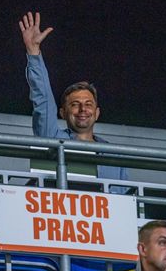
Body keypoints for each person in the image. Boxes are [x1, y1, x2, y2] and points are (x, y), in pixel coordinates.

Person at [19, 11, 128, 183]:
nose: (83, 109)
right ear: (62, 113)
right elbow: (43, 101)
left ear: (97, 113)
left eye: (88, 104)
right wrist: (33, 53)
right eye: (75, 104)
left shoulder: (113, 154)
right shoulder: (53, 139)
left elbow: (126, 194)